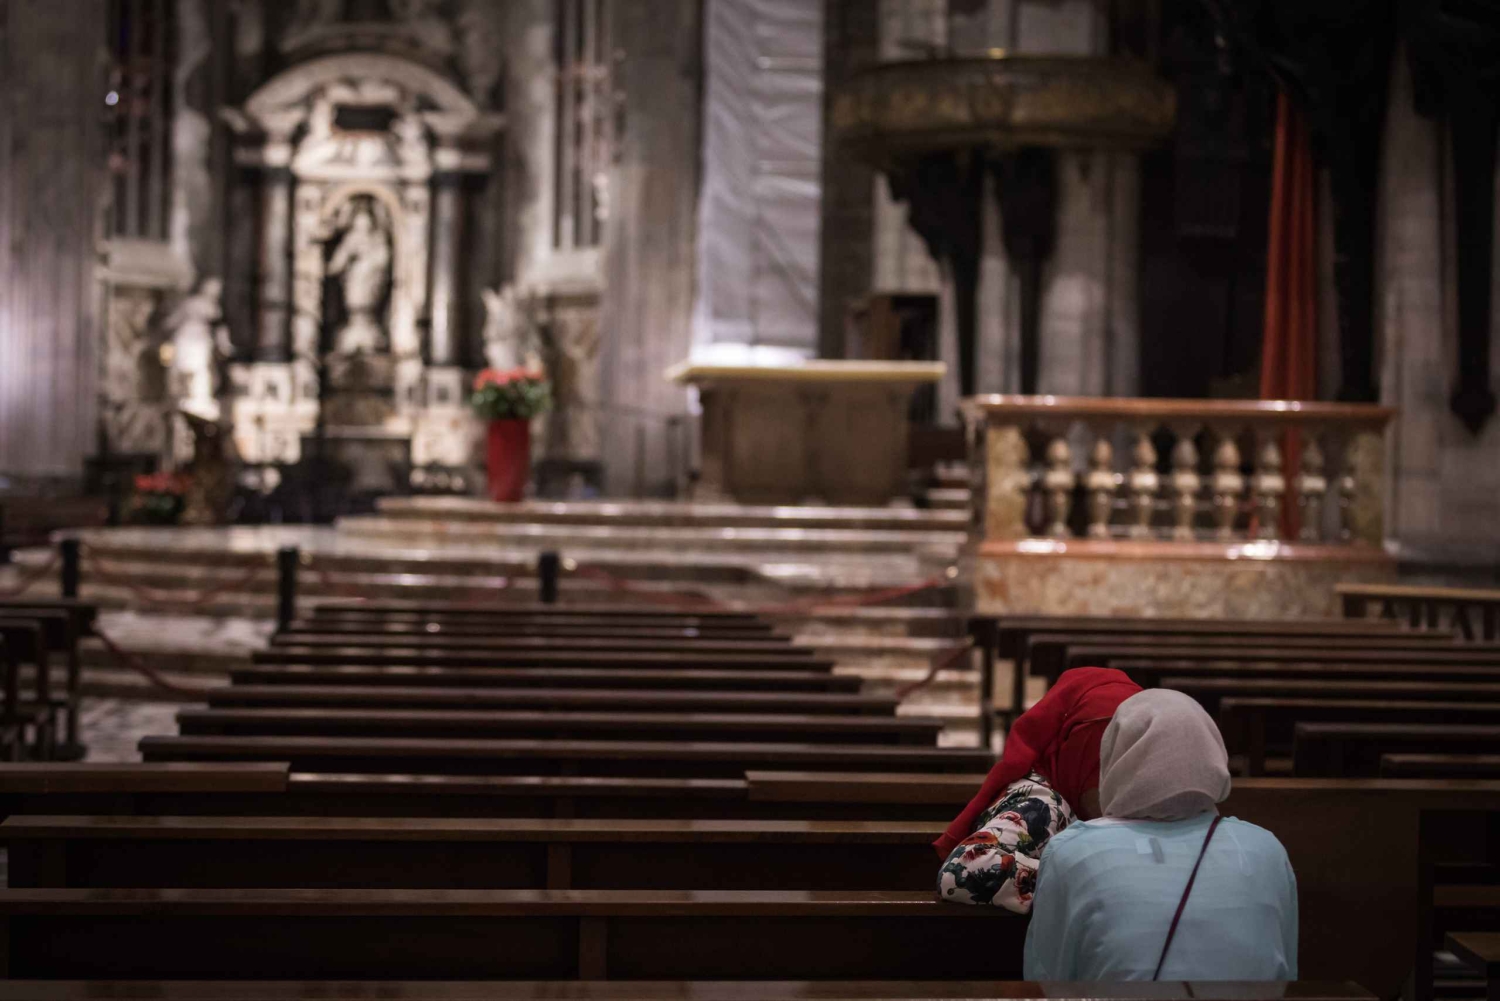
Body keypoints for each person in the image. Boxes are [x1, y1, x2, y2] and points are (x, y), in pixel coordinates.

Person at [1023, 688, 1298, 981]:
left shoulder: (1072, 851)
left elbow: (1047, 979)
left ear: (1117, 757)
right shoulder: (1265, 848)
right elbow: (1285, 974)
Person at [936, 667, 1142, 911]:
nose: (1116, 773)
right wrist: (1088, 878)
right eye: (1100, 759)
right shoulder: (1041, 803)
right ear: (1078, 750)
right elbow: (959, 874)